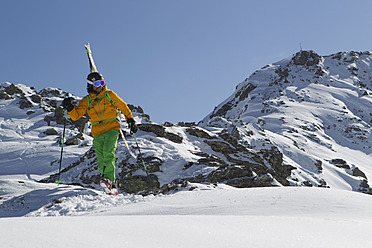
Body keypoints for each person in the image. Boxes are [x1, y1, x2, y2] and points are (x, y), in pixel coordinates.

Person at [62, 72, 137, 194]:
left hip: (112, 128)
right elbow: (76, 116)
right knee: (101, 158)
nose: (100, 86)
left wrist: (130, 119)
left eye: (101, 83)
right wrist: (69, 107)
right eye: (97, 83)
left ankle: (110, 181)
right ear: (90, 85)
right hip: (97, 132)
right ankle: (110, 186)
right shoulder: (87, 101)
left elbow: (123, 106)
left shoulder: (109, 95)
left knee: (108, 152)